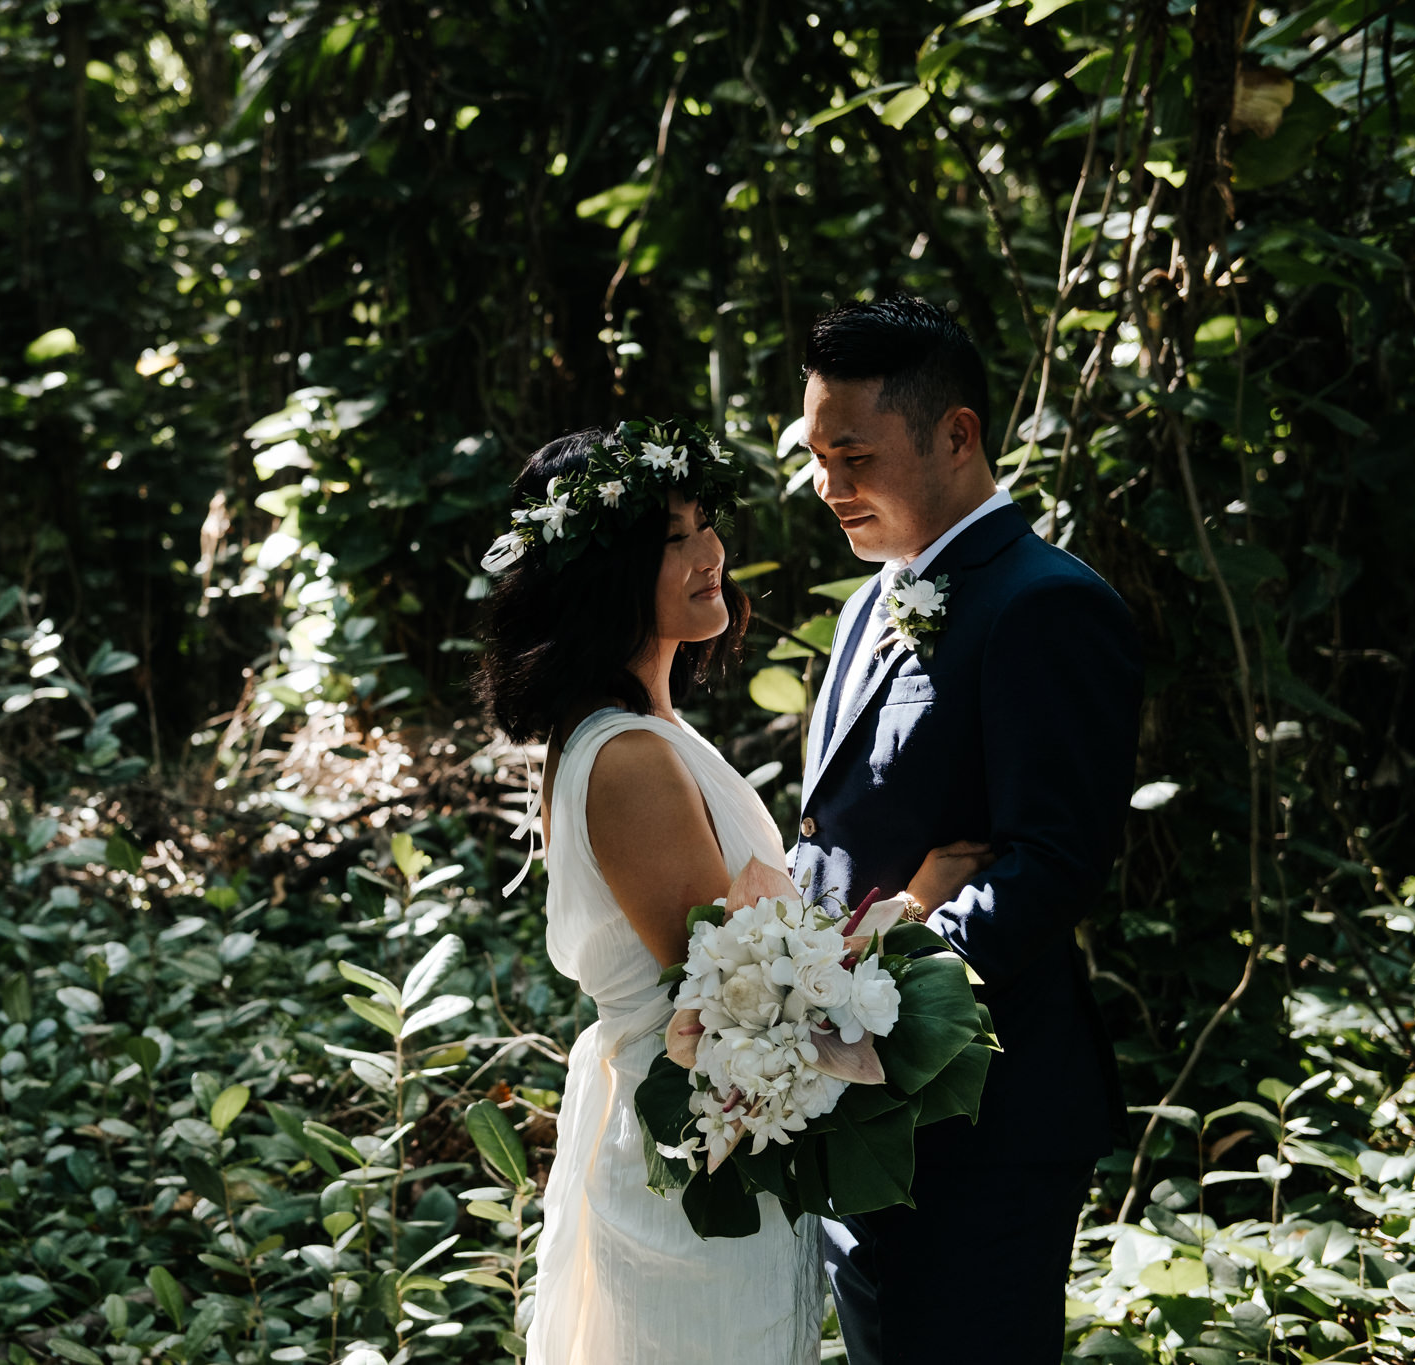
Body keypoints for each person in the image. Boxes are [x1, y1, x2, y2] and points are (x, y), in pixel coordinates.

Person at [476, 419, 994, 1365]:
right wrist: (924, 893)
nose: (713, 554)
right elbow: (744, 1009)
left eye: (707, 524)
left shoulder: (648, 728)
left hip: (716, 1145)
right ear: (606, 570)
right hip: (685, 1169)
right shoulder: (629, 758)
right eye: (675, 538)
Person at [792, 296, 1143, 1365]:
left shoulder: (1046, 604)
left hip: (977, 1117)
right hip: (856, 1105)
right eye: (812, 455)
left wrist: (875, 982)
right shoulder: (868, 600)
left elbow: (1054, 859)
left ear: (955, 433)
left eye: (850, 454)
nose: (825, 486)